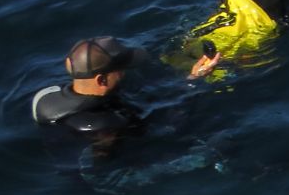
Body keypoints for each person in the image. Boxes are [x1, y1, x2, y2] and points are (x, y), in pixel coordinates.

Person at [32, 36, 218, 135]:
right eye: (121, 69)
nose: (125, 73)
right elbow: (170, 126)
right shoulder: (110, 123)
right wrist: (194, 81)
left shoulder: (44, 97)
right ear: (101, 80)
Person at [170, 0, 289, 77]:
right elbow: (247, 67)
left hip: (176, 59)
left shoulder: (227, 10)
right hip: (208, 72)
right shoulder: (257, 33)